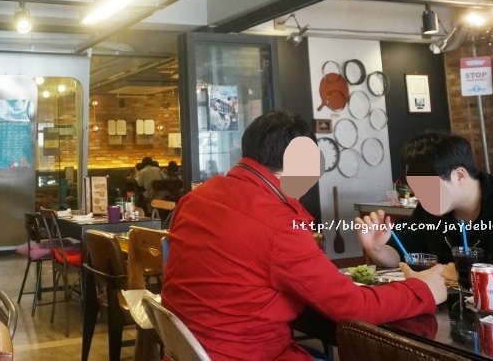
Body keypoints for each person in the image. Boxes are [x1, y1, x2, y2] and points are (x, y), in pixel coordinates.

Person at [162, 111, 446, 361]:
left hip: (190, 352)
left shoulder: (194, 199)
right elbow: (352, 307)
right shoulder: (277, 222)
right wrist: (423, 290)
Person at [356, 132, 493, 295]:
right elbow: (401, 255)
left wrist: (460, 274)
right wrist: (376, 248)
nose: (419, 195)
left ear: (459, 175)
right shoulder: (432, 208)